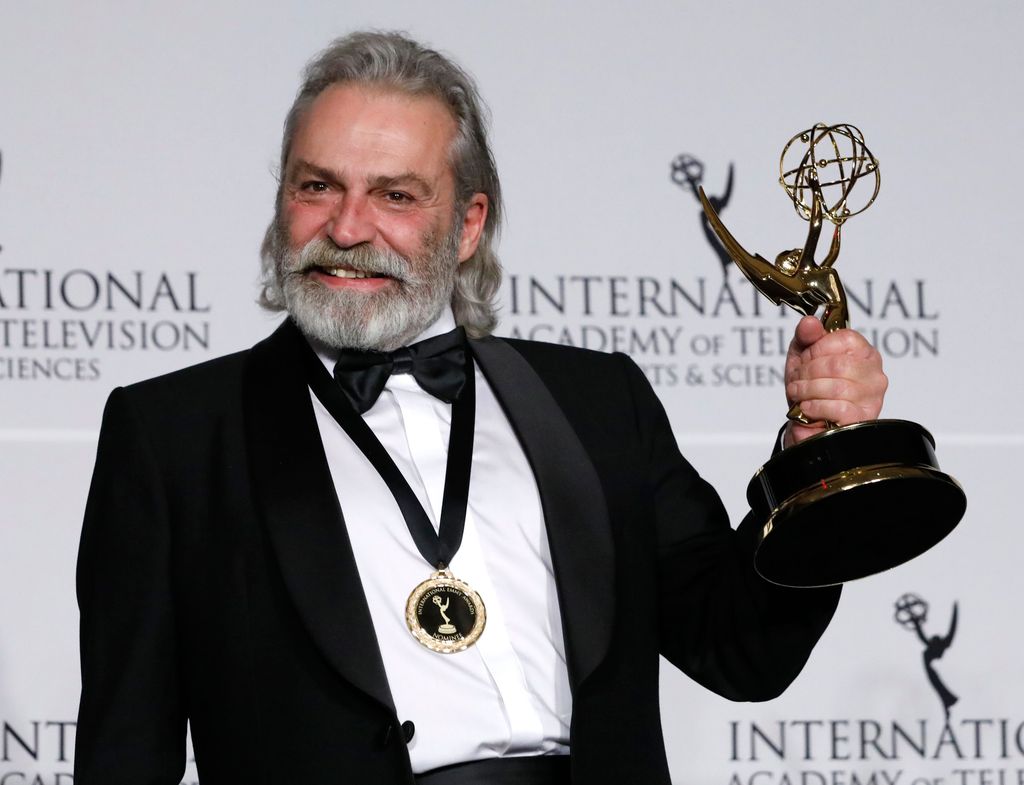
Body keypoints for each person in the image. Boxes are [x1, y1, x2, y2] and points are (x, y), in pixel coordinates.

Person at [74, 31, 888, 785]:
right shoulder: (172, 437)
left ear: (467, 224)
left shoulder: (600, 402)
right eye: (317, 185)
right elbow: (124, 753)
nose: (347, 227)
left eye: (395, 195)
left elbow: (740, 647)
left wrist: (818, 453)